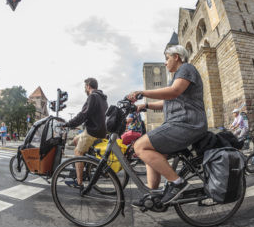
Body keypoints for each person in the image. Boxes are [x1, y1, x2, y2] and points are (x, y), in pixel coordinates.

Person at [127, 45, 207, 205]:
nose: (165, 63)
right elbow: (167, 101)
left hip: (187, 123)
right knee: (152, 153)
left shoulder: (186, 68)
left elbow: (174, 92)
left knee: (139, 146)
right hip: (180, 123)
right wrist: (146, 105)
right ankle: (154, 195)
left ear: (176, 56)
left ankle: (177, 183)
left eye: (167, 58)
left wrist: (143, 92)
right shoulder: (177, 76)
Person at [63, 78, 108, 187]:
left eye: (85, 87)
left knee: (78, 153)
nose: (85, 89)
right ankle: (85, 165)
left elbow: (83, 115)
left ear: (88, 86)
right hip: (101, 131)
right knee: (75, 140)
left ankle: (79, 182)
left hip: (92, 131)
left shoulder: (92, 96)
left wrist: (68, 124)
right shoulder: (103, 99)